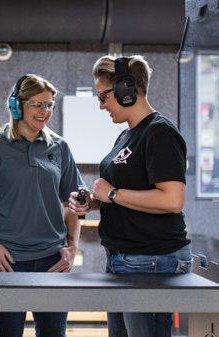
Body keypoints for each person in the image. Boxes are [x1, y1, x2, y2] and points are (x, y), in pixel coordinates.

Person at [69, 55, 191, 337]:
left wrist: (111, 193)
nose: (102, 106)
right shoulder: (128, 136)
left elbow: (172, 200)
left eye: (104, 97)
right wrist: (94, 200)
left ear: (127, 89)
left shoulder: (160, 132)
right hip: (125, 259)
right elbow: (128, 193)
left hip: (151, 260)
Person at [0, 74, 81, 337]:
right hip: (7, 260)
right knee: (8, 333)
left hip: (52, 260)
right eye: (37, 105)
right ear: (17, 106)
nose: (45, 112)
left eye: (50, 105)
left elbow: (71, 202)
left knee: (53, 334)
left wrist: (72, 247)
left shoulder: (59, 147)